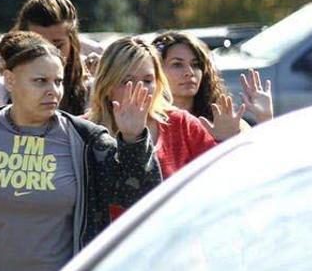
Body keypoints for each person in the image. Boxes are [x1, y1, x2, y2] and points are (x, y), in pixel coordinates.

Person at [0, 31, 162, 271]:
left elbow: (139, 197)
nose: (52, 91)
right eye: (40, 81)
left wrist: (132, 139)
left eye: (58, 81)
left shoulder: (86, 139)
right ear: (9, 80)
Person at [87, 36, 218, 179]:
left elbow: (220, 178)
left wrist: (227, 138)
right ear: (107, 86)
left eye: (148, 81)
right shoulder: (82, 130)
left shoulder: (182, 124)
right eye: (128, 81)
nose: (141, 88)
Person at [0, 0, 96, 115]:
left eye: (57, 45)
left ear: (72, 43)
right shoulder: (1, 90)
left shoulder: (91, 91)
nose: (48, 54)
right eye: (37, 46)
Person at [153, 30, 274, 140]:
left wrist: (265, 119)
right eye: (177, 64)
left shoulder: (222, 120)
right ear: (157, 70)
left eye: (195, 65)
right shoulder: (149, 123)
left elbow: (262, 159)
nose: (189, 72)